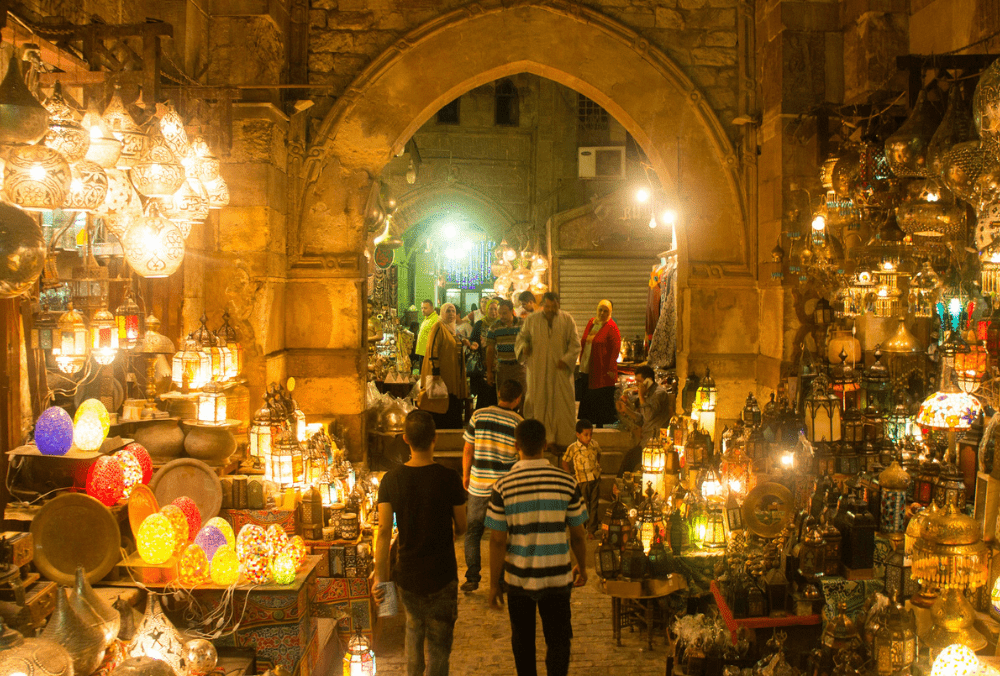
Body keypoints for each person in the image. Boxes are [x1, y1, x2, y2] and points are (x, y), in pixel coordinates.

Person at [485, 419, 588, 676]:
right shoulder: (567, 483)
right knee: (559, 641)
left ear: (516, 446)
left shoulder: (502, 486)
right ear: (544, 444)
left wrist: (493, 584)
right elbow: (578, 535)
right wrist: (583, 567)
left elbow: (497, 541)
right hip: (557, 576)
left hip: (518, 578)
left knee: (522, 641)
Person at [374, 410, 467, 676]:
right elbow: (462, 526)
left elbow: (383, 531)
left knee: (413, 634)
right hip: (442, 574)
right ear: (434, 438)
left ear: (405, 439)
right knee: (439, 648)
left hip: (409, 575)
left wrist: (380, 578)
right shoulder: (449, 478)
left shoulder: (390, 480)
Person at [461, 379, 524, 592]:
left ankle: (472, 576)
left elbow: (468, 449)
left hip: (478, 484)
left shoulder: (478, 415)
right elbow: (521, 455)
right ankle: (500, 580)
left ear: (499, 394)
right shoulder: (518, 422)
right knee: (504, 535)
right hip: (504, 489)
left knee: (473, 532)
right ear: (518, 399)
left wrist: (466, 475)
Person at [515, 292, 580, 451]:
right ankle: (541, 443)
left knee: (563, 407)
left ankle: (563, 442)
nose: (550, 310)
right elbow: (522, 338)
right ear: (543, 305)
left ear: (558, 305)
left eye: (554, 306)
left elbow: (575, 344)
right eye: (548, 306)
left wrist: (566, 360)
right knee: (538, 405)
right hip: (538, 372)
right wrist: (524, 347)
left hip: (560, 372)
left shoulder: (567, 320)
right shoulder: (532, 320)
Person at [421, 303, 472, 428]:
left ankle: (452, 429)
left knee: (452, 399)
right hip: (442, 373)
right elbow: (432, 348)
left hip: (453, 373)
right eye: (448, 311)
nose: (451, 314)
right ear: (442, 313)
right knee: (442, 400)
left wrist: (463, 342)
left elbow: (451, 345)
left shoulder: (451, 329)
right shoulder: (438, 326)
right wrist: (435, 371)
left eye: (453, 311)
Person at [616, 364, 673, 476]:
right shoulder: (649, 394)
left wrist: (641, 396)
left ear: (648, 381)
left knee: (630, 460)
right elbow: (642, 418)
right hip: (646, 439)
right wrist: (626, 410)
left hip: (655, 441)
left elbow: (648, 415)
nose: (637, 384)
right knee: (629, 461)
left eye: (639, 381)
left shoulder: (659, 394)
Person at [578, 300, 622, 428]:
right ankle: (588, 424)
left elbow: (615, 348)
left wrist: (610, 368)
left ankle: (600, 426)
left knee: (599, 397)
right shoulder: (593, 323)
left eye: (606, 311)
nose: (602, 313)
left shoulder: (611, 327)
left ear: (610, 312)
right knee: (588, 395)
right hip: (588, 366)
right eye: (600, 310)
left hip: (602, 370)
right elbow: (586, 341)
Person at [561, 419, 602, 538]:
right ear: (578, 434)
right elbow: (565, 461)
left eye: (591, 434)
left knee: (594, 505)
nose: (589, 437)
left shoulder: (594, 445)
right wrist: (569, 474)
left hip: (595, 478)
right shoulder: (573, 448)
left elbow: (599, 453)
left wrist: (597, 465)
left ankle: (592, 530)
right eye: (586, 435)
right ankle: (582, 528)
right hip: (582, 481)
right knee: (583, 505)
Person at [486, 299, 525, 404]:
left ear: (512, 311)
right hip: (503, 368)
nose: (501, 316)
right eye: (500, 313)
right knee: (504, 398)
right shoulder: (494, 327)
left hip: (520, 367)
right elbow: (490, 350)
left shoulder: (523, 324)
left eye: (504, 313)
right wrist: (489, 372)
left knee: (522, 398)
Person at [470, 298, 500, 410]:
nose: (493, 312)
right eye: (491, 309)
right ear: (486, 310)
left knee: (497, 394)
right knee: (484, 394)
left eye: (496, 309)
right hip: (483, 364)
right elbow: (473, 340)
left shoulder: (501, 324)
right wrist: (474, 345)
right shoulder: (480, 324)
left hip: (499, 365)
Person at [415, 299, 440, 367]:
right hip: (422, 352)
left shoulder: (436, 319)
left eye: (425, 308)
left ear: (432, 308)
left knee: (427, 373)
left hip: (428, 354)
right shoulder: (427, 318)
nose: (423, 310)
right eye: (422, 308)